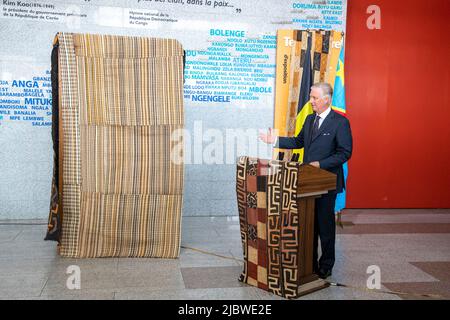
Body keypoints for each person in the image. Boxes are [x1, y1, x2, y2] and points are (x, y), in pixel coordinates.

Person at [259, 82, 353, 279]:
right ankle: (309, 263)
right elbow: (298, 142)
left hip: (327, 182)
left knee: (325, 226)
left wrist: (321, 164)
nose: (311, 102)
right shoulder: (310, 119)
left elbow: (345, 152)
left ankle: (326, 264)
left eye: (314, 98)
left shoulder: (340, 122)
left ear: (326, 100)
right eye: (310, 97)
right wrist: (274, 141)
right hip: (307, 184)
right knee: (309, 226)